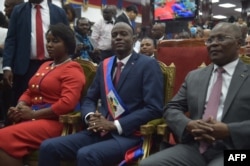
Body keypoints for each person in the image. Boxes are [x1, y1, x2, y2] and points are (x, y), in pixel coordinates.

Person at [38, 22, 164, 166]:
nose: (118, 38)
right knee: (48, 147)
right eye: (114, 35)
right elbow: (89, 99)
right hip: (99, 130)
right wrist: (90, 116)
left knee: (86, 154)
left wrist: (115, 125)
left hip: (128, 135)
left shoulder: (147, 65)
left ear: (134, 39)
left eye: (123, 34)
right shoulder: (105, 65)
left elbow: (153, 108)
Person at [140, 22, 250, 166]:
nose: (214, 44)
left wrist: (229, 130)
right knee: (147, 164)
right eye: (210, 40)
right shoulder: (195, 76)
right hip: (196, 148)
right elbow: (171, 108)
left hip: (238, 151)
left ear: (239, 43)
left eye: (222, 38)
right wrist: (188, 124)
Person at [0, 23, 85, 166]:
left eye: (55, 41)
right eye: (48, 40)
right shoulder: (46, 65)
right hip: (34, 118)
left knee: (2, 137)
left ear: (68, 45)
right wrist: (20, 107)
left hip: (56, 122)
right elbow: (30, 91)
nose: (49, 45)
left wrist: (33, 114)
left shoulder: (72, 69)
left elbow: (67, 104)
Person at [2, 0, 68, 108]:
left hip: (52, 65)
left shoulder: (59, 12)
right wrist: (7, 67)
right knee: (22, 104)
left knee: (49, 101)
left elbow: (67, 39)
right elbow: (11, 40)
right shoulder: (18, 11)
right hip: (25, 67)